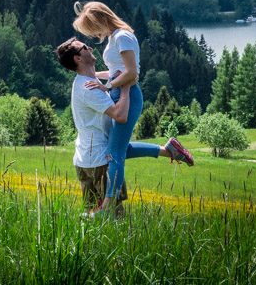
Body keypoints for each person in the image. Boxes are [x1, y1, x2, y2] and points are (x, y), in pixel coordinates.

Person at [56, 35, 193, 219]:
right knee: (115, 217)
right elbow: (120, 116)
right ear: (78, 59)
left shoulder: (84, 81)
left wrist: (113, 77)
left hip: (84, 160)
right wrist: (126, 87)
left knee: (91, 218)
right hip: (100, 163)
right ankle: (168, 150)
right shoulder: (90, 88)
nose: (90, 48)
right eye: (85, 48)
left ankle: (168, 150)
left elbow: (104, 77)